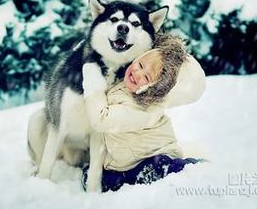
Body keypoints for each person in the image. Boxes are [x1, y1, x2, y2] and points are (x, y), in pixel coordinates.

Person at [81, 34, 206, 192]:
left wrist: (93, 87)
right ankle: (120, 178)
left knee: (163, 166)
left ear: (155, 90)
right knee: (110, 179)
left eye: (147, 77)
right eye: (140, 64)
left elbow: (101, 119)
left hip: (155, 155)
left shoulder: (144, 109)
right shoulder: (126, 82)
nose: (137, 73)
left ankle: (193, 169)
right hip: (124, 162)